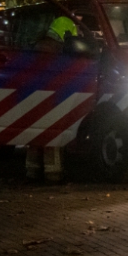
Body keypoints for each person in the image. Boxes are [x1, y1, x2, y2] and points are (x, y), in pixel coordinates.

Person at [27, 15, 80, 181]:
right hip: (51, 97)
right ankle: (53, 174)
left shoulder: (38, 45)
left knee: (35, 136)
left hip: (33, 97)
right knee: (52, 136)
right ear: (64, 34)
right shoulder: (58, 50)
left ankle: (31, 171)